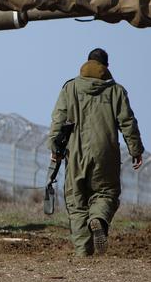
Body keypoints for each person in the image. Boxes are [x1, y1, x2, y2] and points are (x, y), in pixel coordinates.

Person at [48, 48, 144, 256]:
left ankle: (83, 254)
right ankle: (98, 218)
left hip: (75, 152)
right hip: (105, 152)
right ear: (106, 67)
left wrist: (55, 149)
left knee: (76, 201)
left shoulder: (70, 88)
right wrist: (135, 150)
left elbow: (59, 119)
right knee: (106, 193)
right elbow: (127, 122)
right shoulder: (117, 91)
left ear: (87, 63)